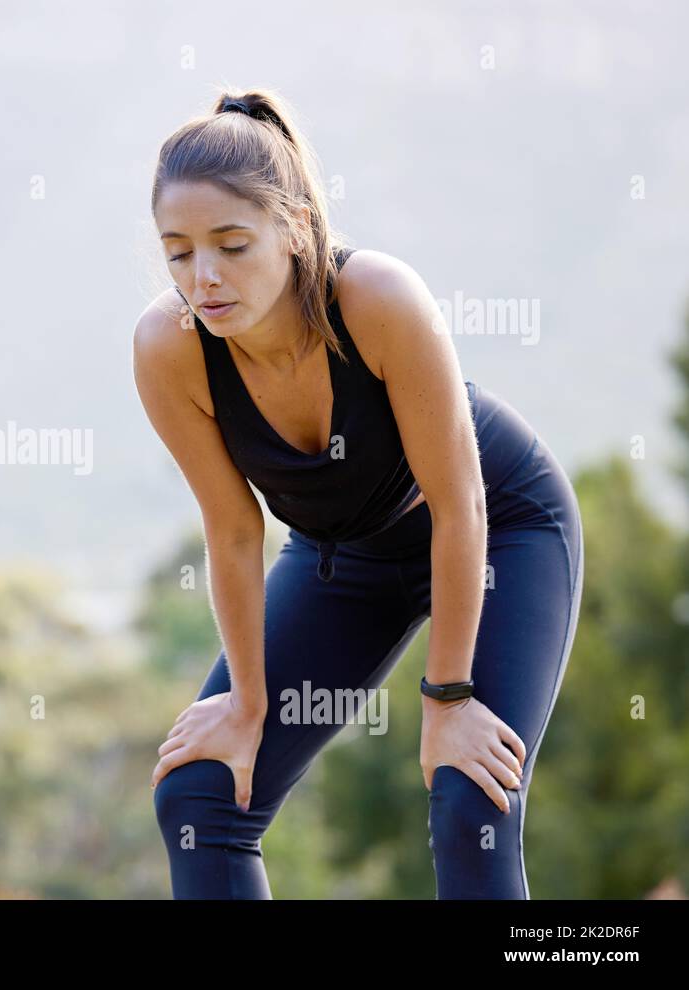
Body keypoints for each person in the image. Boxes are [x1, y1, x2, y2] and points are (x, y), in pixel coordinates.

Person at [132, 88, 584, 899]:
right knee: (201, 790)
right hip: (344, 557)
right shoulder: (170, 349)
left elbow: (461, 503)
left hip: (500, 529)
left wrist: (448, 700)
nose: (203, 277)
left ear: (295, 228)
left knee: (469, 797)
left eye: (232, 245)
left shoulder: (377, 300)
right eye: (178, 251)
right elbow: (234, 530)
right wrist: (246, 700)